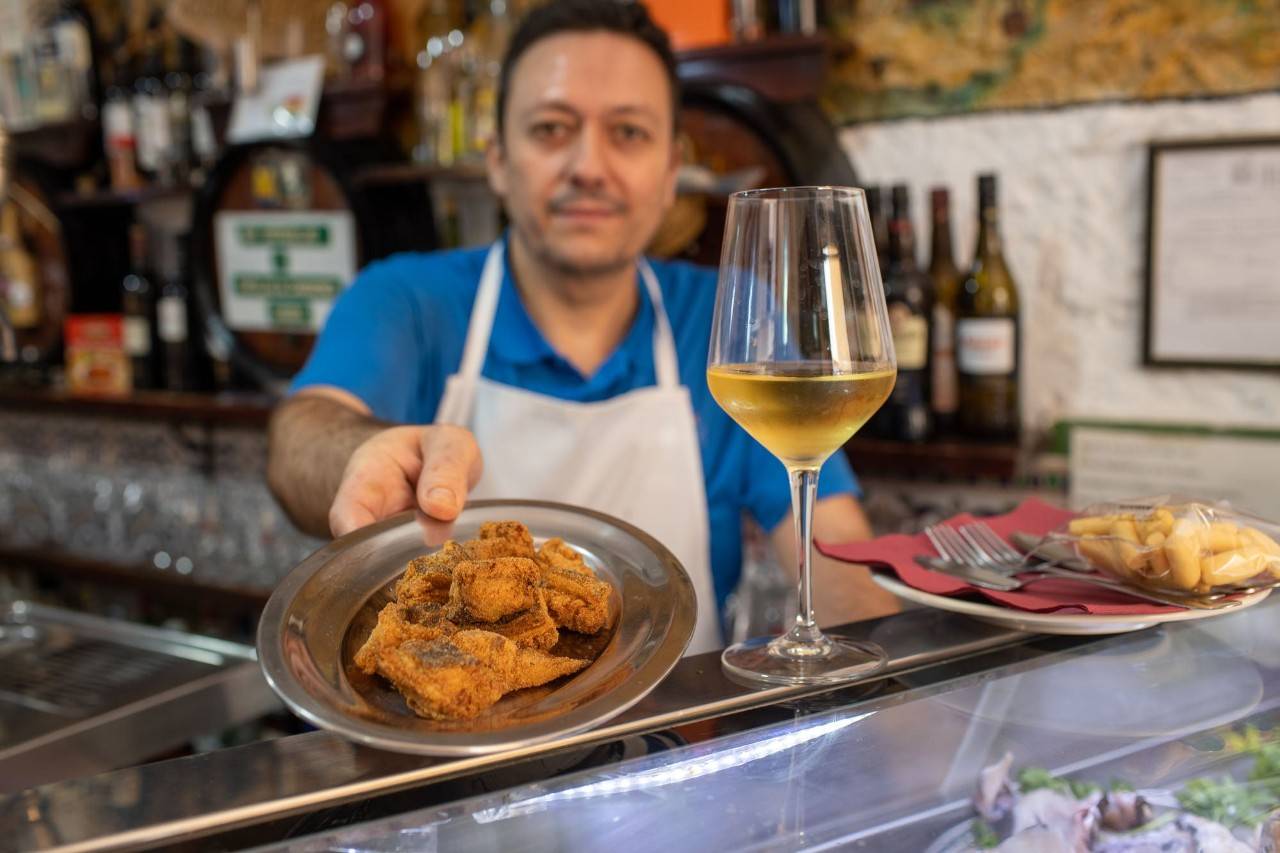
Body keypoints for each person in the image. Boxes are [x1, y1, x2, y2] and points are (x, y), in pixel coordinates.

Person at [267, 0, 897, 654]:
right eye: (550, 128)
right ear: (498, 160)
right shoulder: (406, 299)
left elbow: (832, 544)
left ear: (669, 169)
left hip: (676, 737)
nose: (589, 166)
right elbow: (299, 438)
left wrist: (897, 693)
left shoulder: (727, 321)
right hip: (458, 745)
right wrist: (358, 456)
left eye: (628, 132)